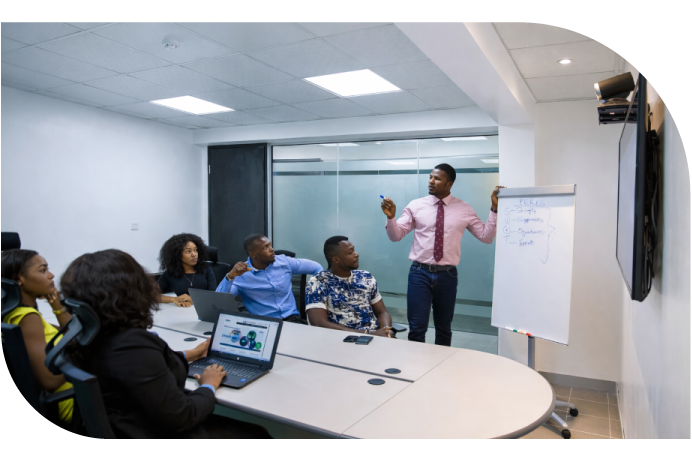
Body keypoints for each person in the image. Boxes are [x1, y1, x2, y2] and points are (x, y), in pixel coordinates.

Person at [61, 249, 270, 439]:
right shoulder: (132, 345)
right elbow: (184, 416)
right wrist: (209, 385)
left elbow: (140, 368)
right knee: (257, 433)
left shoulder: (89, 335)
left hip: (128, 424)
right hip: (157, 429)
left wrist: (190, 354)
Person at [381, 163, 504, 346]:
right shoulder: (416, 205)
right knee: (417, 329)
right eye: (430, 177)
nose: (431, 181)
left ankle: (442, 363)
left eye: (437, 178)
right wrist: (391, 217)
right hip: (419, 274)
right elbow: (395, 236)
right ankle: (415, 363)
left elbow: (486, 237)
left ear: (449, 183)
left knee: (444, 329)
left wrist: (494, 208)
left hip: (447, 275)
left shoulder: (464, 208)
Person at [1, 249, 74, 423]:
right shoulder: (28, 319)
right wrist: (81, 356)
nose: (51, 275)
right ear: (19, 279)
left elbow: (70, 333)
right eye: (43, 270)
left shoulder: (16, 313)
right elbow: (50, 380)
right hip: (76, 400)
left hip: (79, 394)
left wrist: (57, 306)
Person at [216, 234, 323, 323]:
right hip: (263, 323)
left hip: (292, 320)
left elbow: (317, 268)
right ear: (253, 254)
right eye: (265, 247)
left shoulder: (284, 262)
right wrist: (230, 277)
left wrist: (315, 294)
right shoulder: (242, 275)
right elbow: (220, 301)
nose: (272, 249)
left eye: (270, 245)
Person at [305, 236, 395, 338]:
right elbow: (319, 323)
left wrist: (386, 331)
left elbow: (382, 312)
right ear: (336, 259)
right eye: (350, 252)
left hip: (374, 337)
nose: (356, 254)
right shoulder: (318, 282)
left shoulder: (366, 277)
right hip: (341, 339)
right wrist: (368, 334)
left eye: (354, 250)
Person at [157, 233, 217, 307]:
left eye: (195, 250)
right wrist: (174, 299)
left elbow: (214, 296)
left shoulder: (206, 269)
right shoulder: (170, 274)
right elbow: (151, 295)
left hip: (205, 309)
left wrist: (194, 300)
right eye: (188, 251)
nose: (194, 254)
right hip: (182, 311)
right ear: (177, 255)